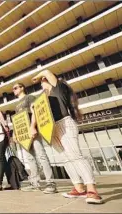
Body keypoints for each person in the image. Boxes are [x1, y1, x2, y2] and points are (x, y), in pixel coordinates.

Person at [32, 69, 103, 204]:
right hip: (51, 128)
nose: (41, 82)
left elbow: (47, 71)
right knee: (65, 159)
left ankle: (92, 190)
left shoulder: (58, 87)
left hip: (64, 123)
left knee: (75, 156)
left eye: (42, 80)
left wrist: (38, 76)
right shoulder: (43, 97)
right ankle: (79, 188)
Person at [12, 82, 57, 194]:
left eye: (16, 88)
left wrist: (33, 127)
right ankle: (35, 183)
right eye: (13, 89)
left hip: (33, 129)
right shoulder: (16, 105)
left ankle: (50, 182)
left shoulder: (29, 97)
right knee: (30, 158)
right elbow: (18, 120)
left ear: (22, 88)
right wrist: (15, 134)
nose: (14, 90)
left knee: (41, 154)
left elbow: (35, 112)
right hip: (23, 134)